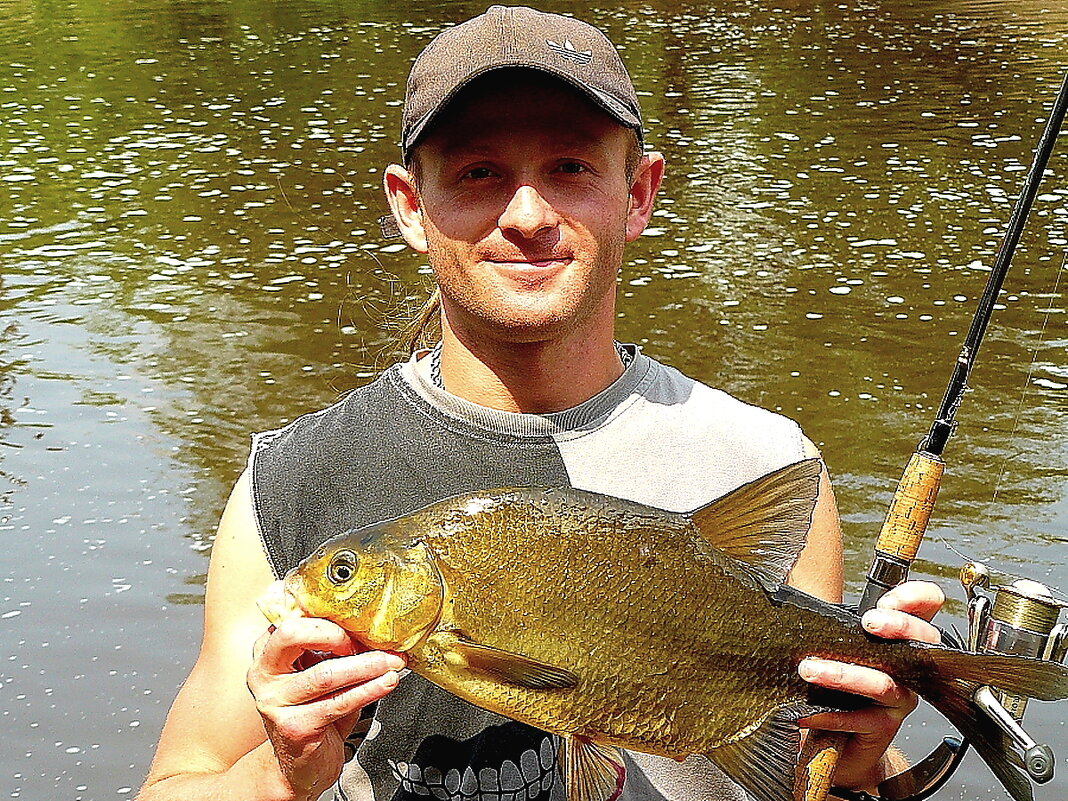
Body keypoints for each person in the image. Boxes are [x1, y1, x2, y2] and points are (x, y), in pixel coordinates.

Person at [137, 6, 946, 801]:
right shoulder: (294, 484)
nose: (527, 216)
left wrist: (857, 764)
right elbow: (173, 784)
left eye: (569, 167)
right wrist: (278, 771)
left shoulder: (767, 464)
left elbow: (810, 770)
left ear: (640, 193)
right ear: (411, 206)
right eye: (480, 173)